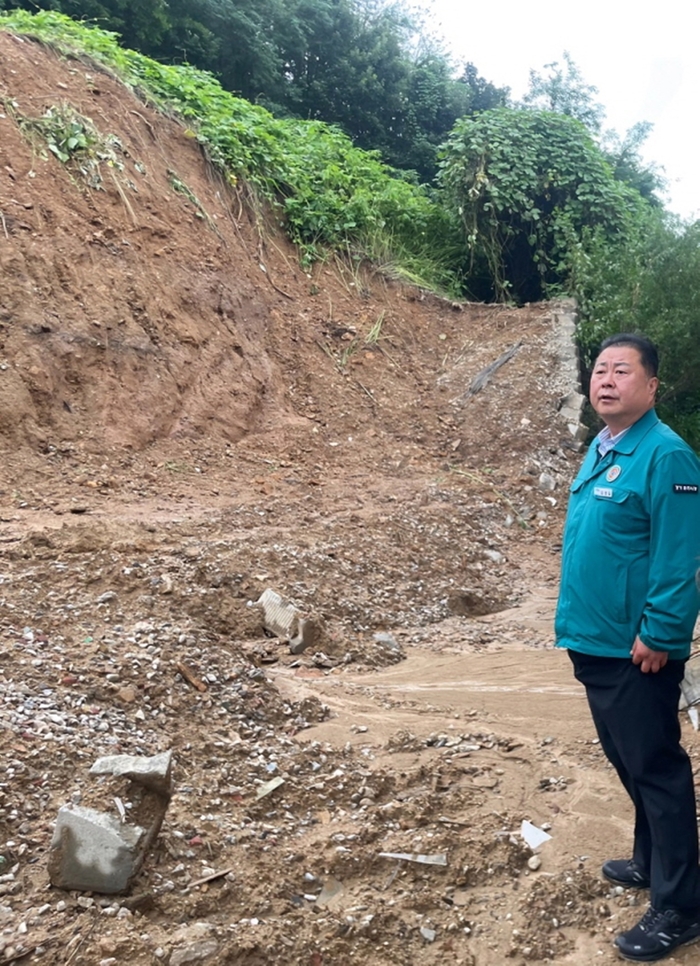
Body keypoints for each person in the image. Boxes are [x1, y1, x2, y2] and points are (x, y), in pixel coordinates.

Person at [555, 332, 700, 962]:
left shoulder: (666, 456)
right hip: (594, 640)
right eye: (598, 370)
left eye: (621, 370)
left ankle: (682, 907)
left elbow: (681, 557)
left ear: (650, 386)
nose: (605, 380)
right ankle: (650, 859)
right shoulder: (603, 446)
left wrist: (662, 633)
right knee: (626, 759)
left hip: (636, 650)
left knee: (657, 770)